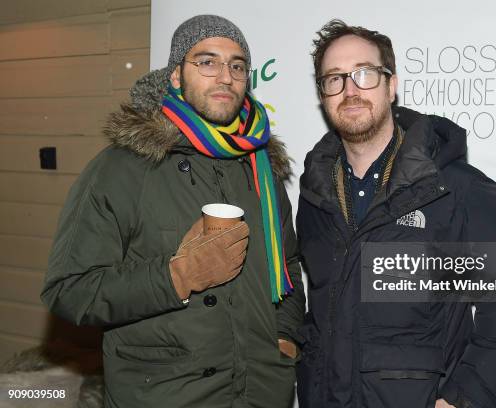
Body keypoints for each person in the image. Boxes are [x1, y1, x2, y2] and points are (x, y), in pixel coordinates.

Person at [41, 15, 304, 408]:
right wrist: (177, 276)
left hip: (259, 394)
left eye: (236, 66)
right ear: (177, 76)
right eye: (207, 62)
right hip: (164, 395)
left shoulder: (260, 166)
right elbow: (69, 290)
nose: (225, 76)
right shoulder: (123, 167)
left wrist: (284, 341)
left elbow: (288, 265)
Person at [295, 20, 496, 408]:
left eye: (364, 74)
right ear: (323, 94)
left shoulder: (455, 188)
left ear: (390, 84)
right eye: (334, 78)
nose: (350, 90)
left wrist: (461, 399)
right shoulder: (315, 195)